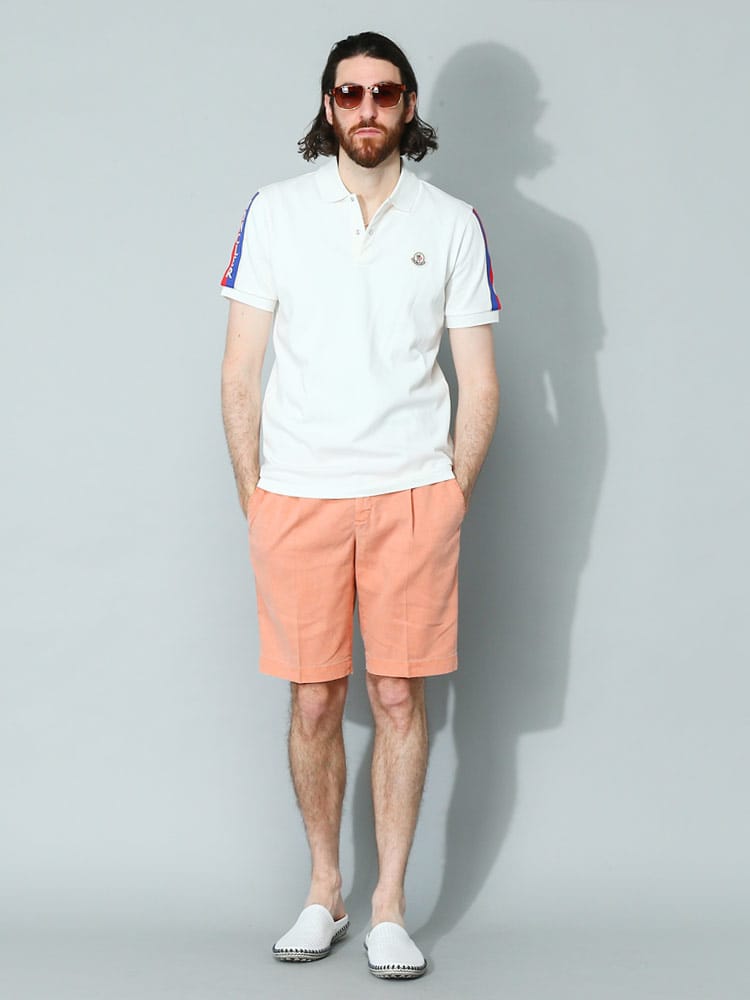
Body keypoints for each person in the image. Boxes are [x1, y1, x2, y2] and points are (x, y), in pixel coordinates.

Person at [219, 30, 500, 980]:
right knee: (313, 699)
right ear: (328, 104)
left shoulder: (452, 222)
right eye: (349, 93)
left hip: (413, 494)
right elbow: (240, 371)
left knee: (397, 695)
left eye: (385, 92)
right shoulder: (275, 212)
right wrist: (256, 498)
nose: (367, 109)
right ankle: (325, 891)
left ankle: (389, 909)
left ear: (409, 105)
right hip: (297, 496)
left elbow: (480, 378)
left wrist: (451, 495)